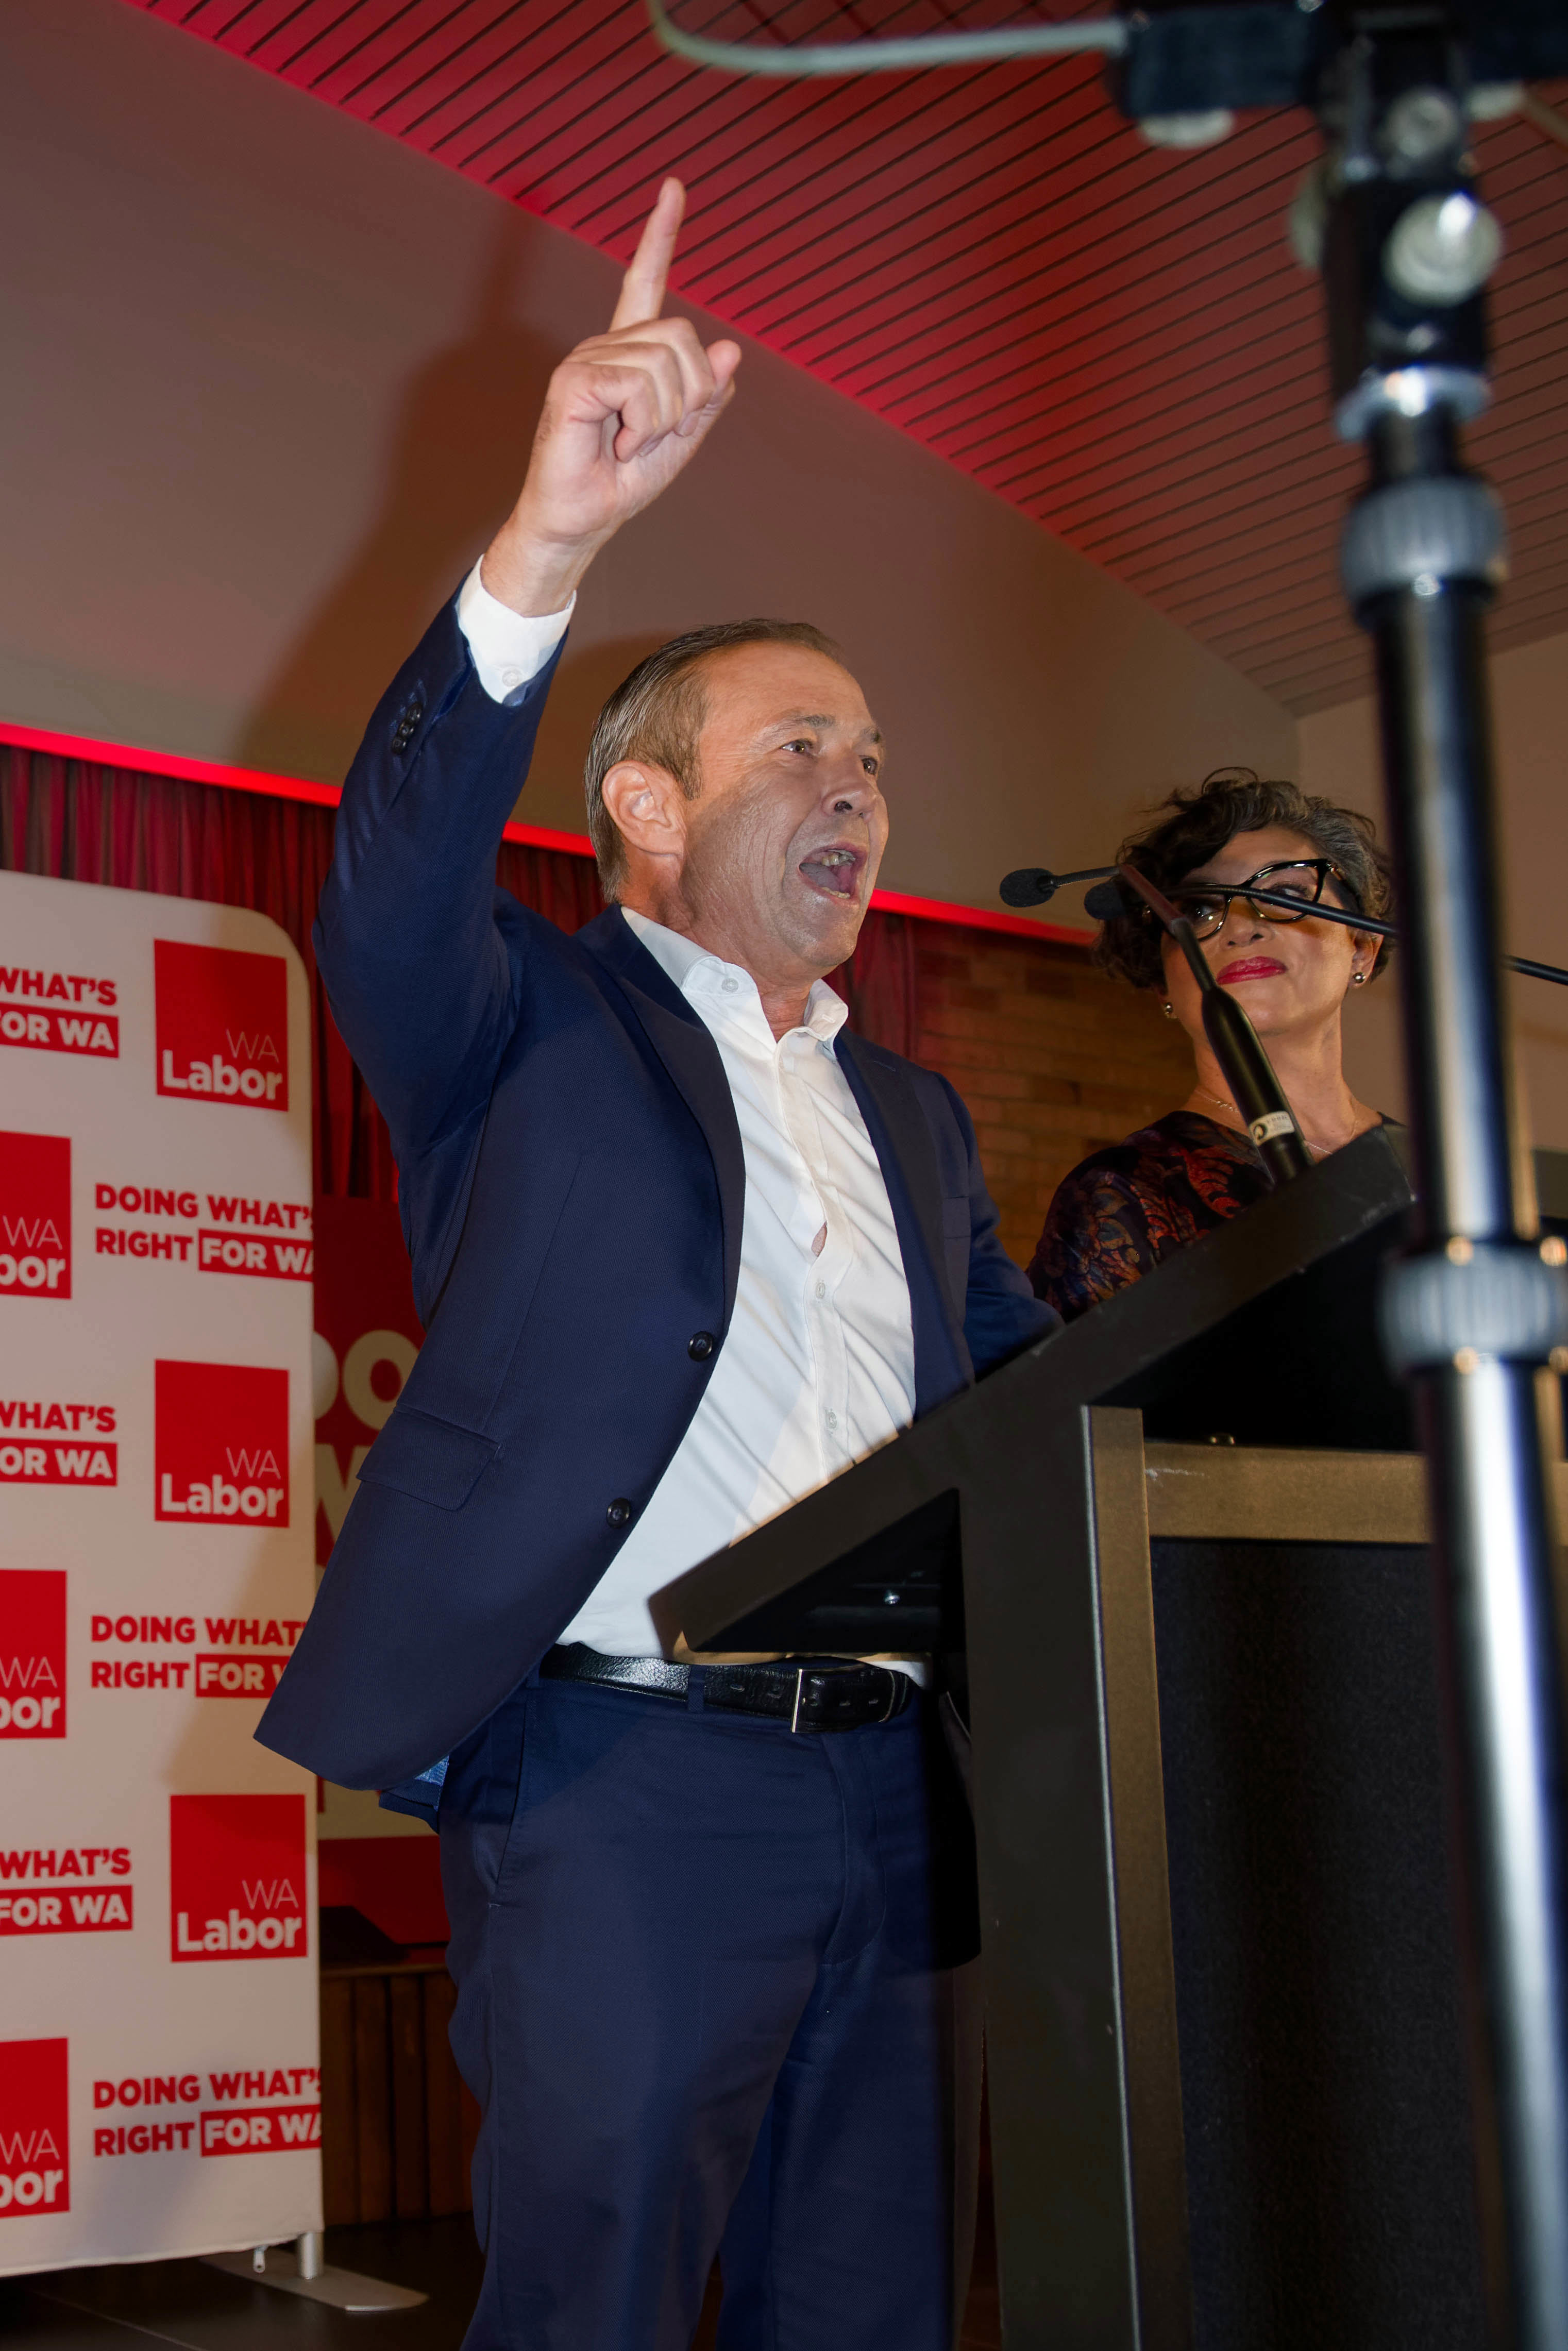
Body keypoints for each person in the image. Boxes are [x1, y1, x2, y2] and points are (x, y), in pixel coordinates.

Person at [258, 179, 1055, 2349]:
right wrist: (549, 543)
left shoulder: (917, 1111)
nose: (858, 791)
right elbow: (395, 874)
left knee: (880, 2304)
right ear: (638, 803)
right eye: (801, 745)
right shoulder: (519, 1019)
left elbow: (1034, 1399)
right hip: (630, 1792)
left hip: (902, 1794)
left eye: (876, 761)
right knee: (594, 2303)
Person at [1028, 767, 1392, 1320]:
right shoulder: (1125, 1193)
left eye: (1285, 893)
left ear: (1362, 947)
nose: (1240, 926)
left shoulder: (1440, 1172)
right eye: (1199, 909)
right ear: (1162, 984)